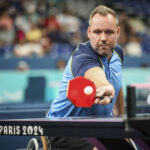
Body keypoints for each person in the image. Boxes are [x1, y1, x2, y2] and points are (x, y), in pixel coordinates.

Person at [46, 5, 136, 150]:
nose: (103, 38)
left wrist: (122, 122)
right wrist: (105, 87)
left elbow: (117, 84)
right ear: (89, 32)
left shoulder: (118, 53)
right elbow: (96, 75)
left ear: (117, 32)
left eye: (109, 32)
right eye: (97, 32)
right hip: (63, 128)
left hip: (99, 128)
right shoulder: (82, 56)